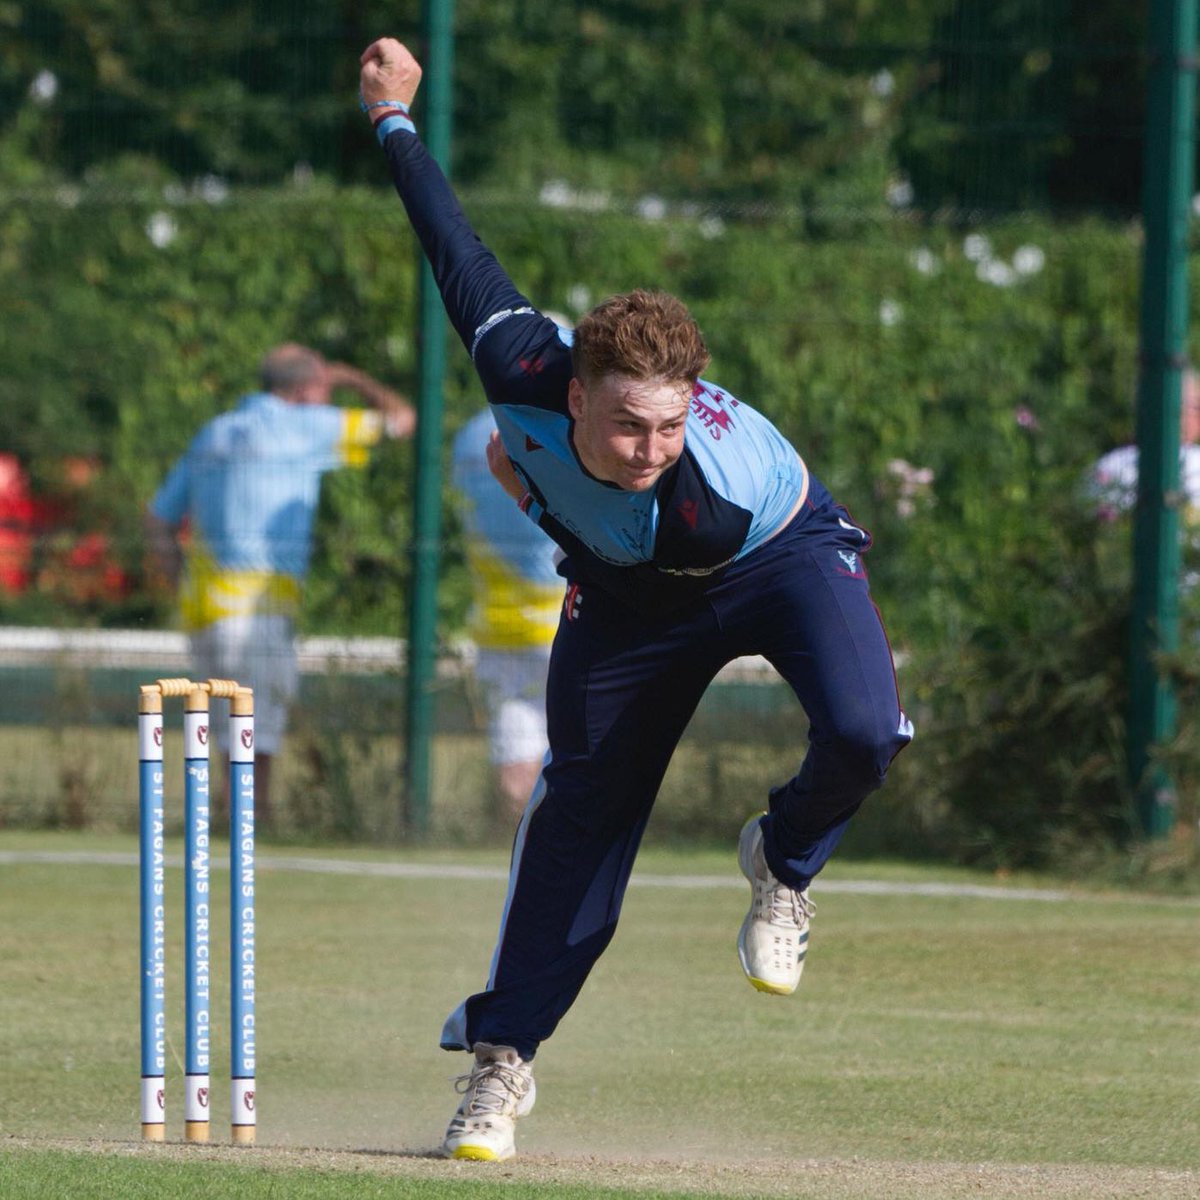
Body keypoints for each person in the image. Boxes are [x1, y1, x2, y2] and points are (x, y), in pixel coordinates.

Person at [359, 38, 913, 1162]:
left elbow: (613, 522)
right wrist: (391, 119)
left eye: (671, 422)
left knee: (866, 730)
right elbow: (450, 241)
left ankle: (785, 861)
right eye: (626, 425)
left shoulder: (705, 485)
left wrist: (547, 507)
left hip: (774, 552)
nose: (651, 446)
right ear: (572, 390)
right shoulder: (517, 358)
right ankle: (500, 1063)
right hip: (629, 602)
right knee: (583, 817)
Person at [145, 344, 414, 828]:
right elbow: (402, 418)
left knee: (219, 726)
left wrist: (175, 581)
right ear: (304, 389)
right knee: (256, 725)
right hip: (260, 608)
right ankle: (253, 824)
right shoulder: (307, 427)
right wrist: (352, 375)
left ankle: (223, 820)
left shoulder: (214, 433)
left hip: (203, 606)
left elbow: (158, 519)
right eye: (323, 387)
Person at [452, 405, 564, 827]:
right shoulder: (560, 425)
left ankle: (528, 837)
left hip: (496, 623)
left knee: (514, 745)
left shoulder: (468, 435)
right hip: (560, 614)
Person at [1089, 372, 1200, 580]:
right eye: (1197, 406)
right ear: (1177, 411)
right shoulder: (1195, 463)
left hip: (1117, 598)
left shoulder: (1108, 467)